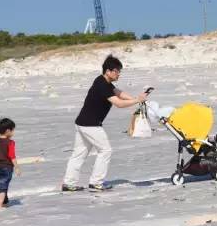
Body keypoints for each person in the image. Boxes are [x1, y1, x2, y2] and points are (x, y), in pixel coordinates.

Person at [62, 55, 151, 192]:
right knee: (105, 150)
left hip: (82, 123)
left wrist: (136, 98)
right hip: (90, 125)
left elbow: (119, 93)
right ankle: (96, 182)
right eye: (116, 71)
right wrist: (137, 100)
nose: (119, 74)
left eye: (119, 71)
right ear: (108, 71)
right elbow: (119, 103)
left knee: (79, 154)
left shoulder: (103, 82)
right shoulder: (102, 85)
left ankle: (69, 183)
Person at [0, 117, 21, 209]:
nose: (13, 132)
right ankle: (0, 205)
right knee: (3, 184)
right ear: (7, 131)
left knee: (3, 182)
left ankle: (5, 201)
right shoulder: (10, 142)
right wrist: (17, 167)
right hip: (6, 167)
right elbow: (12, 156)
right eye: (13, 130)